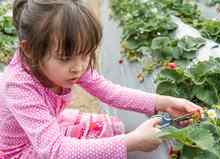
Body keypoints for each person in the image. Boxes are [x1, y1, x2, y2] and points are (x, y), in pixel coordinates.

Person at [0, 0, 203, 158]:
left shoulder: (71, 62)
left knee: (107, 129)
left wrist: (164, 103)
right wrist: (131, 142)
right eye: (65, 58)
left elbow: (110, 92)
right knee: (105, 146)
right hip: (21, 151)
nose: (78, 67)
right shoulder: (18, 86)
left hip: (45, 131)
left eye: (86, 54)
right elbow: (55, 151)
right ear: (30, 50)